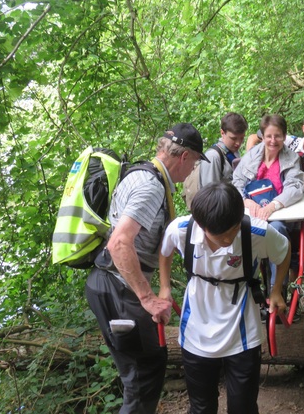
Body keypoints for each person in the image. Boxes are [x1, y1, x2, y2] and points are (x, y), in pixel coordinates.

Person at [84, 123, 208, 414]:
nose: (192, 172)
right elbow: (119, 243)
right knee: (144, 374)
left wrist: (160, 288)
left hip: (107, 283)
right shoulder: (150, 186)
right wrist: (148, 299)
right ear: (185, 157)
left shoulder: (141, 173)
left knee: (141, 371)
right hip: (118, 289)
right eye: (195, 164)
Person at [159, 182, 290, 414]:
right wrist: (164, 288)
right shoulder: (182, 229)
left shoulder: (256, 232)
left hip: (242, 331)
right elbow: (165, 251)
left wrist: (276, 289)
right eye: (221, 235)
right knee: (201, 407)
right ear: (201, 225)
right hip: (196, 329)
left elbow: (284, 250)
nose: (229, 239)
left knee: (243, 407)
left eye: (234, 229)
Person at [233, 114, 304, 290]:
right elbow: (236, 182)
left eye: (278, 136)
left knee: (276, 230)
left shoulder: (292, 158)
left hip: (279, 214)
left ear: (284, 136)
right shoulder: (250, 157)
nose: (273, 140)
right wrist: (245, 201)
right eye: (269, 136)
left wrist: (273, 206)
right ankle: (246, 286)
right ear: (262, 137)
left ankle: (277, 289)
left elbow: (295, 187)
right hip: (251, 212)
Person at [199, 112, 248, 186]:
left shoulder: (234, 152)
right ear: (222, 133)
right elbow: (210, 192)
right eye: (233, 138)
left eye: (241, 138)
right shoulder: (213, 157)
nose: (238, 143)